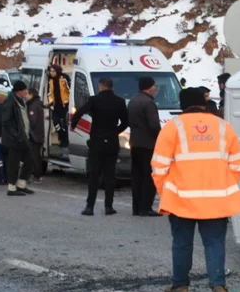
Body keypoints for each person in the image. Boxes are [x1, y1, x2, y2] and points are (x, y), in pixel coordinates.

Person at [153, 88, 240, 292]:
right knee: (214, 243)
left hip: (181, 199)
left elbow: (158, 166)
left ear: (183, 105)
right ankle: (218, 285)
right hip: (216, 200)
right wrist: (223, 185)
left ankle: (180, 286)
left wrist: (165, 192)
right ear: (203, 105)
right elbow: (237, 164)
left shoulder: (172, 127)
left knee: (182, 243)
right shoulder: (224, 127)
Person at [71, 76, 128, 216]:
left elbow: (79, 112)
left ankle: (90, 206)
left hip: (96, 142)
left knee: (94, 175)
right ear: (111, 86)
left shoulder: (94, 100)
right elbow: (126, 122)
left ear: (101, 86)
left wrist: (73, 125)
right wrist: (115, 132)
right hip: (112, 143)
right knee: (110, 175)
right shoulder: (119, 101)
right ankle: (109, 206)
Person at [127, 76, 161, 217]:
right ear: (149, 86)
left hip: (135, 143)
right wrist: (161, 138)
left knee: (137, 176)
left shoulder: (133, 100)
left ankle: (136, 207)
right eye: (154, 86)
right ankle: (146, 207)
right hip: (148, 144)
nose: (155, 88)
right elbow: (154, 125)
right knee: (149, 177)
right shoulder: (148, 103)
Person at [2, 81, 35, 197]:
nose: (27, 91)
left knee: (30, 159)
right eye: (25, 89)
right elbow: (6, 121)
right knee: (14, 163)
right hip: (15, 139)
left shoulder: (22, 101)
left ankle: (21, 184)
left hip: (23, 137)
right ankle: (11, 188)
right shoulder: (11, 102)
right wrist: (15, 135)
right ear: (19, 91)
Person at [48, 65, 70, 151]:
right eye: (50, 71)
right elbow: (49, 93)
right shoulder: (50, 81)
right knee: (56, 123)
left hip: (64, 106)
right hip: (55, 106)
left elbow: (69, 90)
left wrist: (68, 101)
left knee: (65, 124)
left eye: (53, 71)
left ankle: (65, 141)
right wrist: (51, 103)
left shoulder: (64, 78)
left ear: (57, 71)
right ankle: (62, 137)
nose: (51, 73)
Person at [27, 88, 45, 184]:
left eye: (27, 94)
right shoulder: (39, 104)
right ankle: (38, 175)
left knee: (34, 156)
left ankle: (37, 175)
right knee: (37, 156)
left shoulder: (33, 106)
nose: (26, 96)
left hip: (34, 135)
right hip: (39, 134)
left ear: (31, 95)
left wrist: (28, 130)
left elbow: (32, 121)